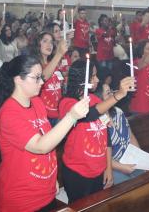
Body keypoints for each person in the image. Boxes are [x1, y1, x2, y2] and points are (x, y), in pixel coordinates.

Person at [0, 55, 90, 212]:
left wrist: (52, 178)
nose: (42, 82)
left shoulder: (37, 102)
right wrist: (71, 116)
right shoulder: (9, 113)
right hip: (22, 200)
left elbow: (48, 139)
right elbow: (40, 146)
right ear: (18, 79)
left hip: (46, 193)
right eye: (36, 78)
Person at [58, 60, 135, 203]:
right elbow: (89, 114)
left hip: (99, 170)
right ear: (82, 80)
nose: (97, 80)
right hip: (78, 172)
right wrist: (118, 94)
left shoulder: (94, 99)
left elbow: (107, 137)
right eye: (93, 76)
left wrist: (108, 168)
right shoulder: (66, 103)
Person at [30, 32, 68, 125]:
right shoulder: (34, 65)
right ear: (38, 44)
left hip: (58, 112)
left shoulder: (54, 63)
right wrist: (59, 54)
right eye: (45, 41)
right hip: (44, 114)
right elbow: (42, 78)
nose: (49, 45)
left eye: (51, 42)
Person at [108, 106, 145, 184]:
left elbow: (130, 136)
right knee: (129, 186)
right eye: (108, 93)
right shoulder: (94, 120)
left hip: (128, 157)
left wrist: (139, 156)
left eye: (112, 93)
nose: (113, 95)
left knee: (145, 180)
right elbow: (100, 158)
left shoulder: (118, 111)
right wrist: (121, 167)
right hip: (111, 165)